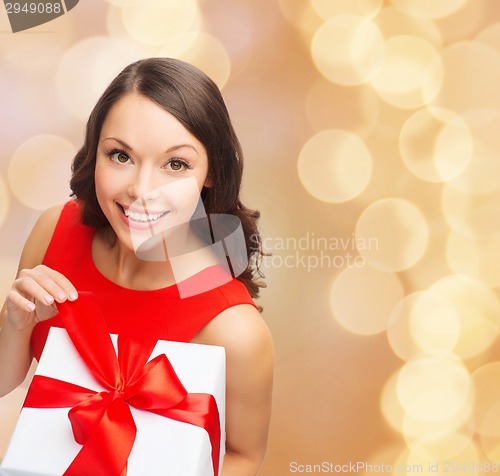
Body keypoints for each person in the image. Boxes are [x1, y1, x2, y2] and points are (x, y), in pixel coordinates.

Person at [0, 58, 274, 475]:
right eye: (120, 155)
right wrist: (14, 325)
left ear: (211, 173)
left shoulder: (233, 329)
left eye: (175, 164)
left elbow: (243, 455)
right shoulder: (54, 230)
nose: (141, 190)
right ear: (95, 154)